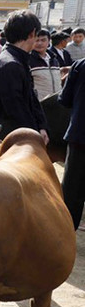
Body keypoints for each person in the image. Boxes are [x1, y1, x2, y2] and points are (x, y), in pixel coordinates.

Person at [0, 10, 48, 142]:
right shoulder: (10, 64)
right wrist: (33, 134)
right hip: (12, 140)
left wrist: (42, 127)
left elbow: (31, 97)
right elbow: (15, 109)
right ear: (32, 33)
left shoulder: (17, 59)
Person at [59, 56, 85, 229]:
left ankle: (66, 233)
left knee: (72, 190)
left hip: (80, 136)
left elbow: (64, 100)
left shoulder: (80, 65)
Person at [28, 29, 62, 101]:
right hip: (39, 104)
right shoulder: (28, 60)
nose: (39, 43)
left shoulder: (54, 59)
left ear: (49, 41)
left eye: (43, 40)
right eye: (37, 40)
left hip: (56, 103)